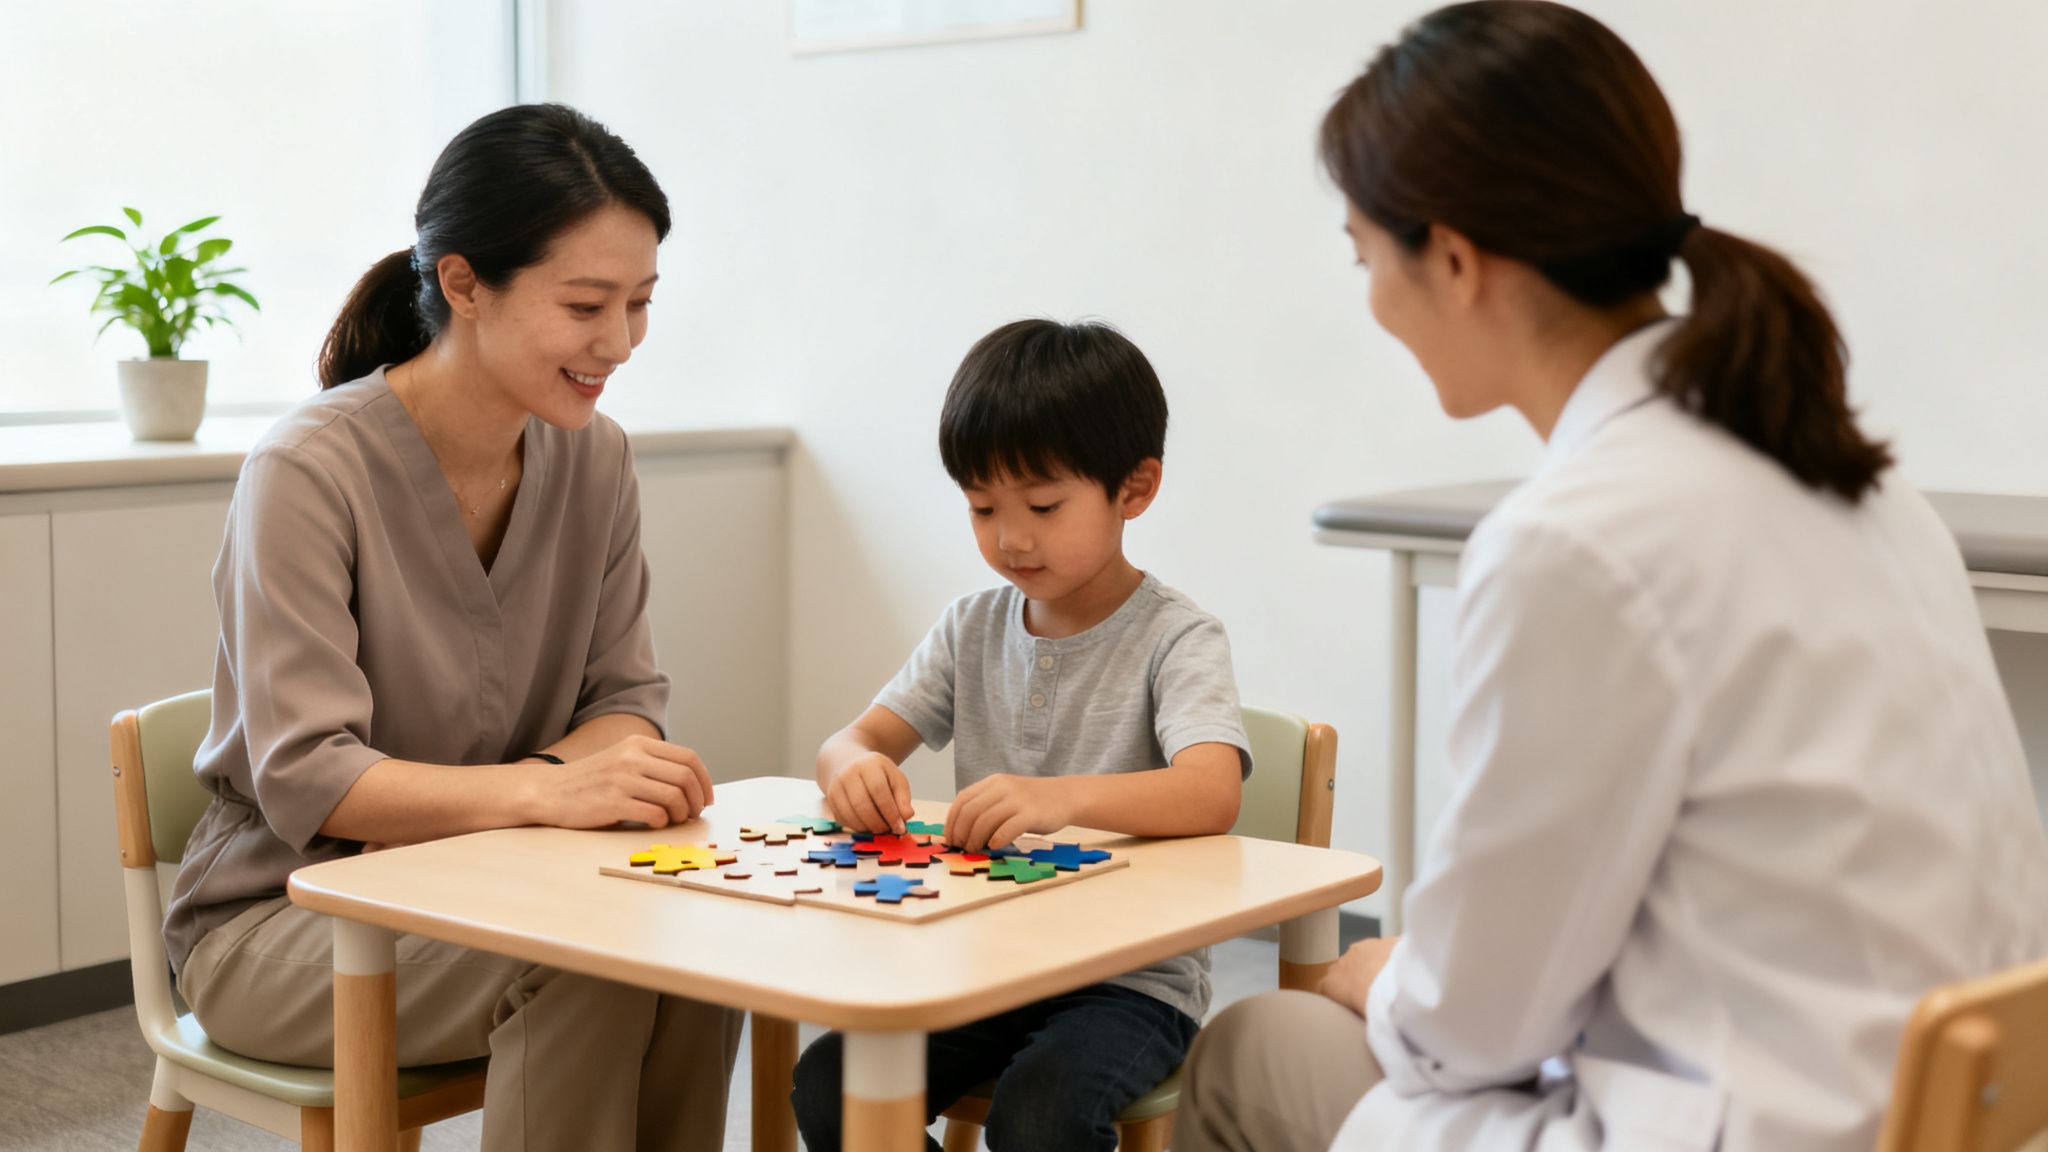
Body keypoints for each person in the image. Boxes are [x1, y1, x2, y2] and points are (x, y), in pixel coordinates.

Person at [1176, 4, 2048, 1150]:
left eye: (1361, 255)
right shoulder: (1861, 488)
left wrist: (1380, 977)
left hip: (1751, 1128)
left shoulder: (1573, 542)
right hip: (1941, 1114)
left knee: (1253, 1044)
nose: (1370, 300)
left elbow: (1467, 1031)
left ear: (1448, 257)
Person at [164, 103, 742, 1152]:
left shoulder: (595, 458)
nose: (618, 342)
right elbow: (312, 777)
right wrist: (552, 789)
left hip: (497, 882)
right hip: (288, 917)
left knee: (696, 942)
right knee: (590, 962)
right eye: (584, 305)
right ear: (466, 285)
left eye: (639, 304)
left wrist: (585, 782)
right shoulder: (309, 469)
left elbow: (624, 704)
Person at [788, 318, 1253, 1151]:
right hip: (989, 961)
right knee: (832, 1082)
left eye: (1043, 505)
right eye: (981, 507)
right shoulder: (971, 627)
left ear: (1134, 489)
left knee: (1039, 1117)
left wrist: (1059, 798)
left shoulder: (1179, 638)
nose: (1011, 537)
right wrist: (852, 767)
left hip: (1132, 982)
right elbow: (852, 741)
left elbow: (1212, 790)